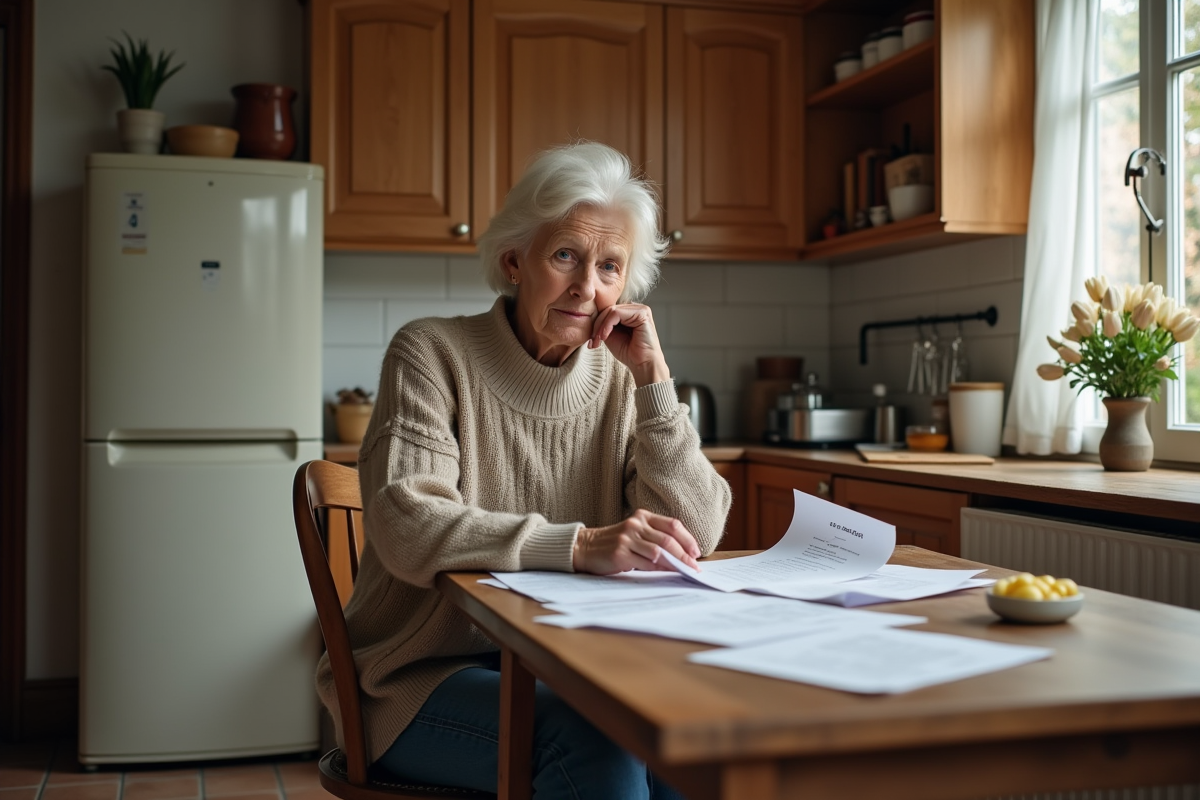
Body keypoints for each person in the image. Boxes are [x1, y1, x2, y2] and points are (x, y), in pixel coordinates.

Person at [315, 141, 731, 799]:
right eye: (565, 254)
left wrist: (653, 379)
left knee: (694, 734)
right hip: (419, 678)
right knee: (595, 741)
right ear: (515, 261)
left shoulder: (623, 381)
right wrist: (579, 544)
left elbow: (697, 533)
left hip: (567, 666)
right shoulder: (432, 353)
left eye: (610, 267)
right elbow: (408, 526)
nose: (586, 287)